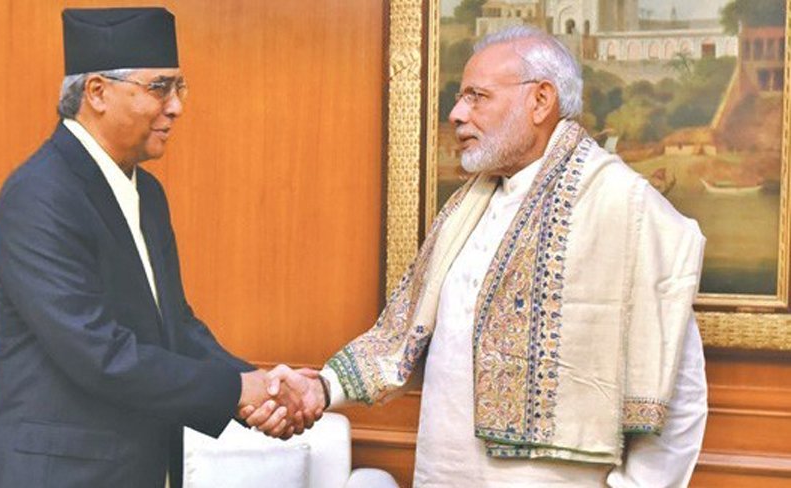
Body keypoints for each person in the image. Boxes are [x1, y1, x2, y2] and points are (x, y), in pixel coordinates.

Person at [257, 26, 708, 487]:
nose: (456, 113)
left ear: (540, 101)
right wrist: (320, 388)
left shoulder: (626, 207)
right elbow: (402, 338)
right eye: (460, 98)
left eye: (477, 97)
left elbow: (678, 388)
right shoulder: (467, 208)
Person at [0, 8, 314, 488]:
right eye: (159, 88)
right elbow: (99, 354)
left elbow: (175, 327)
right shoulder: (40, 195)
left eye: (179, 87)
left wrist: (263, 387)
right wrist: (238, 390)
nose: (176, 107)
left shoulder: (146, 193)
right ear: (97, 92)